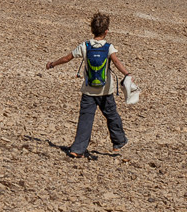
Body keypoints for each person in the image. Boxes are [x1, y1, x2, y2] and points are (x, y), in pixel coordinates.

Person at [45, 11, 131, 158]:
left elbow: (67, 58)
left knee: (85, 119)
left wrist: (52, 64)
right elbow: (116, 62)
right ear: (106, 31)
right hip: (105, 91)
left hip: (88, 90)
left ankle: (77, 149)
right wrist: (127, 74)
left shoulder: (85, 46)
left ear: (91, 30)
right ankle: (118, 142)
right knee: (112, 115)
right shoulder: (109, 47)